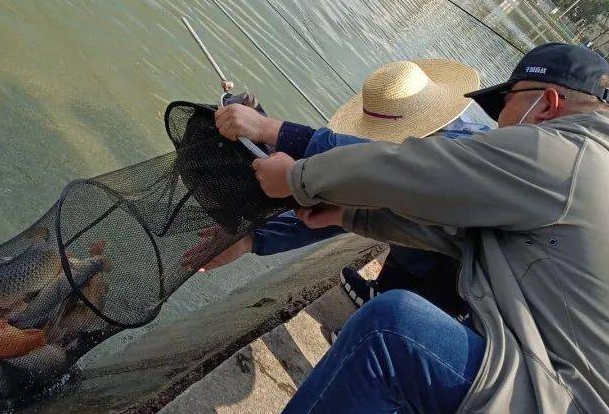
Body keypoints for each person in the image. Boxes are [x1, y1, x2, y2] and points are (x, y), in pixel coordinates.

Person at [175, 43, 609, 414]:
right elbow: (453, 230)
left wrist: (286, 154)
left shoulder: (570, 155)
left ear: (547, 103)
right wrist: (346, 217)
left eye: (507, 104)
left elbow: (410, 172)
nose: (498, 122)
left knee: (393, 331)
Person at [194, 58, 490, 319]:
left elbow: (362, 174)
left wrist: (270, 129)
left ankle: (403, 311)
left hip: (470, 289)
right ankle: (387, 291)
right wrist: (251, 238)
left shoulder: (452, 169)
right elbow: (340, 202)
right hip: (448, 250)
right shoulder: (470, 134)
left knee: (416, 262)